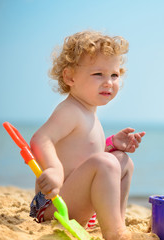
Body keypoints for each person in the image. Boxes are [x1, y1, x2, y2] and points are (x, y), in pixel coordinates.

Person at [29, 30, 146, 240]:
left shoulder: (89, 112)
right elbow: (41, 139)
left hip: (74, 201)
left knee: (123, 161)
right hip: (52, 204)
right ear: (70, 77)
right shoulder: (70, 111)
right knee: (107, 162)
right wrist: (54, 169)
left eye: (114, 74)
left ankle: (116, 223)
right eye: (98, 74)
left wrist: (111, 145)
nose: (109, 82)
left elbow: (84, 156)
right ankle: (115, 233)